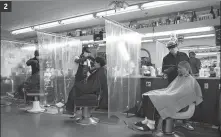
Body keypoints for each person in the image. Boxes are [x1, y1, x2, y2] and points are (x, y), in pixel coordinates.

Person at [134, 61, 203, 131]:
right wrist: (167, 93)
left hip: (179, 102)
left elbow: (186, 95)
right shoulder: (179, 77)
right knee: (147, 94)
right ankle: (147, 119)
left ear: (186, 69)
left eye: (180, 68)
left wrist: (169, 94)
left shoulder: (190, 79)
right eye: (178, 68)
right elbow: (171, 89)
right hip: (172, 96)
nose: (178, 69)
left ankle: (151, 124)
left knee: (153, 97)